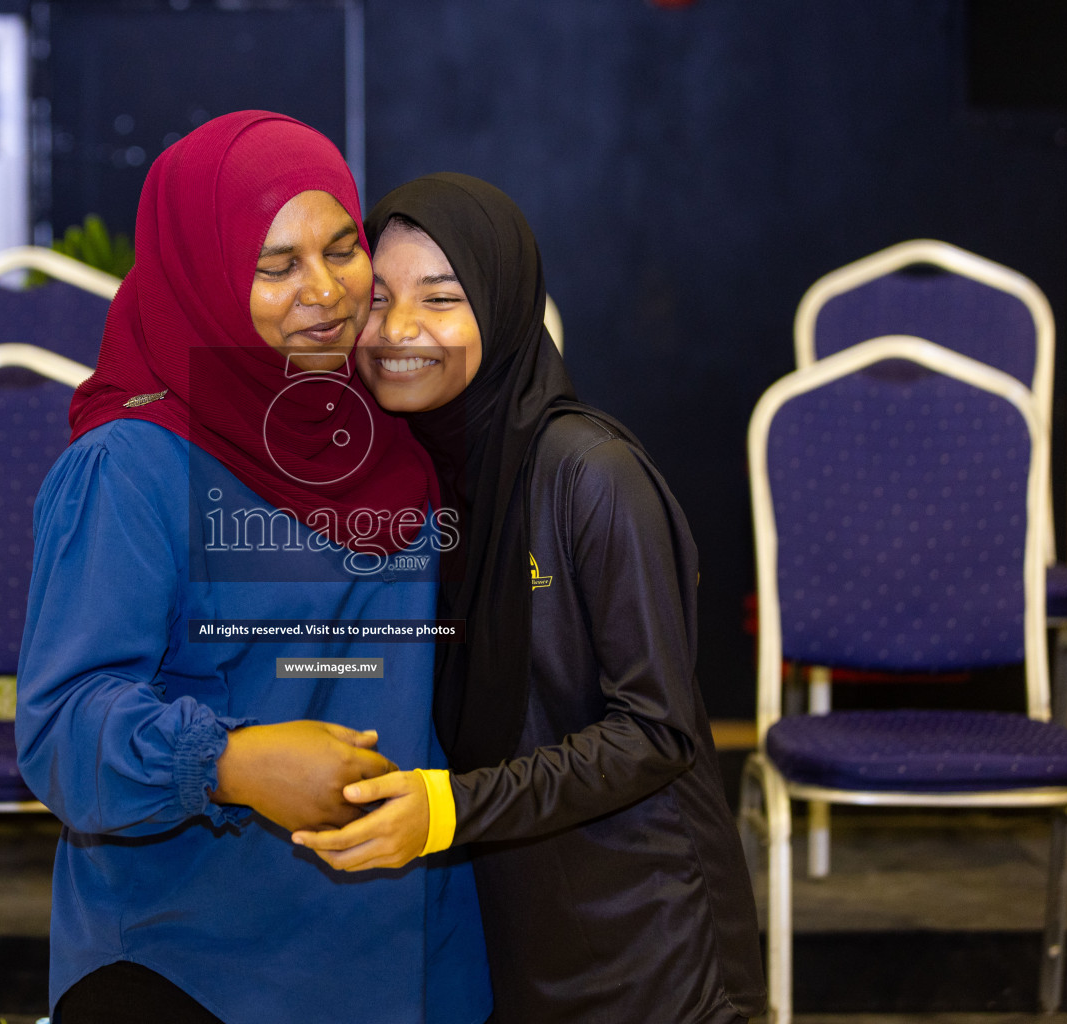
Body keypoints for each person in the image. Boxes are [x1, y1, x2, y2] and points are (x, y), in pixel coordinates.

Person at [14, 115, 490, 1024]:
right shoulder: (133, 465)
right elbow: (61, 730)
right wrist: (228, 762)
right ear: (201, 275)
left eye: (343, 249)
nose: (324, 293)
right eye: (274, 267)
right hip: (198, 955)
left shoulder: (394, 422)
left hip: (409, 943)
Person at [293, 172, 767, 1024]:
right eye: (379, 302)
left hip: (646, 926)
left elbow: (654, 730)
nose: (398, 332)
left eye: (441, 300)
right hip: (512, 924)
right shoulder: (411, 476)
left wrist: (450, 807)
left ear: (506, 312)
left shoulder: (591, 475)